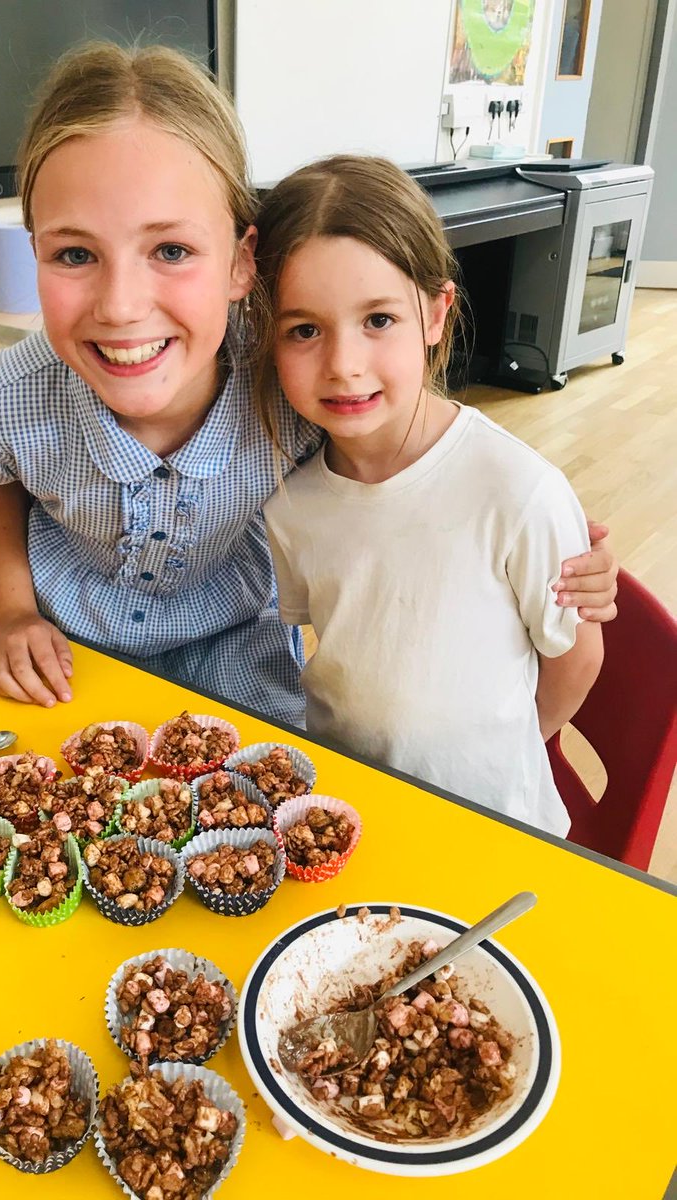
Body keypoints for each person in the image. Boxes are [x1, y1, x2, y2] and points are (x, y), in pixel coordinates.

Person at [0, 42, 616, 731]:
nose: (120, 306)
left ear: (241, 265)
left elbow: (418, 462)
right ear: (34, 255)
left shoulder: (295, 379)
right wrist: (13, 606)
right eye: (75, 253)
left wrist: (549, 528)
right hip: (67, 665)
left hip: (244, 668)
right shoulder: (6, 396)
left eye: (171, 250)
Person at [254, 155, 604, 834]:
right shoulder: (290, 502)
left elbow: (576, 659)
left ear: (436, 315)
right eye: (304, 330)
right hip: (349, 812)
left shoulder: (518, 491)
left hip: (490, 826)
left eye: (378, 320)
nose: (344, 364)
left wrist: (495, 764)